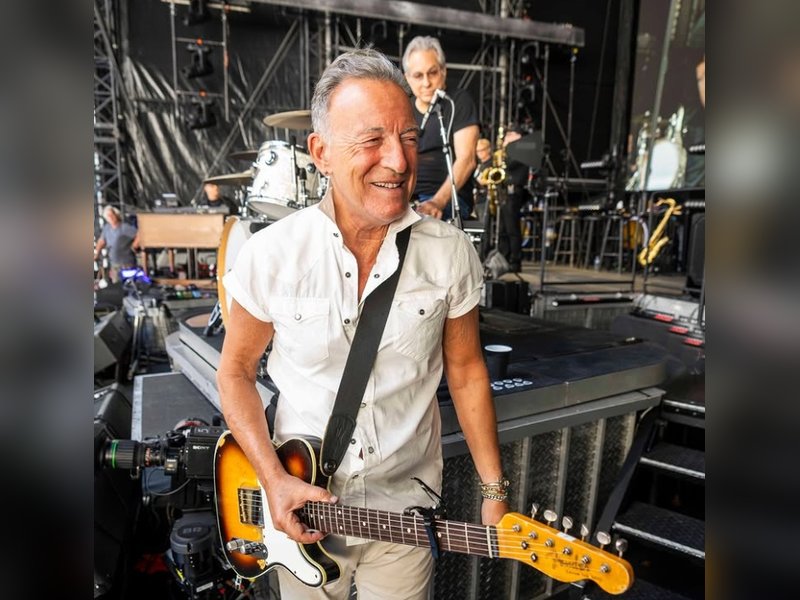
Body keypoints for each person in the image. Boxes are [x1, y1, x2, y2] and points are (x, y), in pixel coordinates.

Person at [216, 48, 508, 599]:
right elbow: (235, 372)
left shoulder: (450, 253)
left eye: (407, 138)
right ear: (320, 153)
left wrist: (494, 490)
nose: (397, 161)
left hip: (406, 513)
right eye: (372, 140)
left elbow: (468, 372)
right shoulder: (271, 254)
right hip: (303, 508)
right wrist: (273, 481)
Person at [403, 36, 480, 222]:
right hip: (407, 197)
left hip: (448, 199)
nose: (426, 83)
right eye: (418, 76)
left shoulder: (458, 102)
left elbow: (467, 159)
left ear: (443, 71)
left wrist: (437, 201)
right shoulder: (403, 108)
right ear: (407, 78)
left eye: (432, 73)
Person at [93, 205, 139, 283]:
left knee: (129, 285)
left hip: (127, 263)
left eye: (112, 215)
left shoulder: (124, 227)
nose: (110, 217)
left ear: (116, 215)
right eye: (108, 216)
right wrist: (96, 253)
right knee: (117, 285)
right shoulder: (106, 228)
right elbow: (101, 241)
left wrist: (135, 245)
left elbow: (139, 235)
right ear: (106, 218)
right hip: (114, 264)